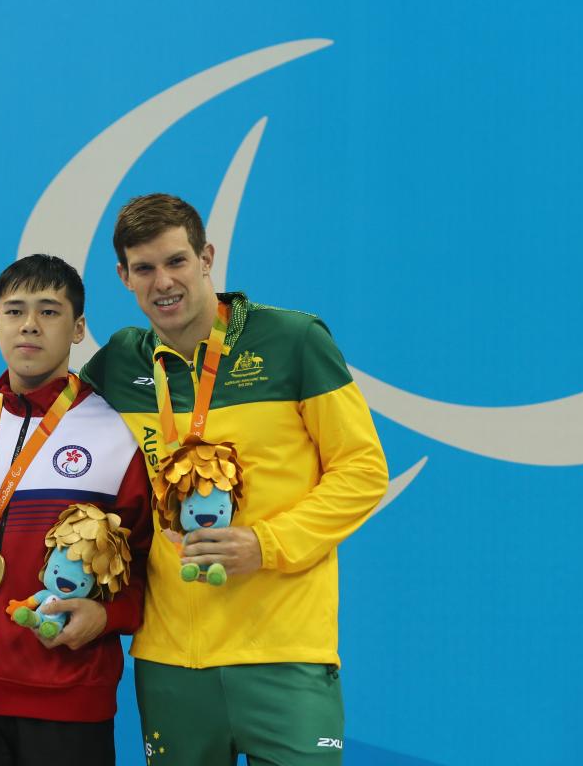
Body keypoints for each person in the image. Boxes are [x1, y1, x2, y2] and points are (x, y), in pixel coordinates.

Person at [79, 193, 389, 765]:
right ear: (123, 277)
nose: (163, 281)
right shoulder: (121, 363)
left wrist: (266, 544)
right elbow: (40, 417)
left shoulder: (293, 341)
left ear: (207, 258)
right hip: (172, 661)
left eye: (176, 261)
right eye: (143, 268)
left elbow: (364, 470)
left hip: (284, 654)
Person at [0, 254, 152, 766]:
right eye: (15, 310)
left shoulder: (115, 433)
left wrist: (108, 612)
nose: (29, 324)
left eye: (49, 311)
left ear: (79, 328)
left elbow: (145, 563)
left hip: (68, 703)